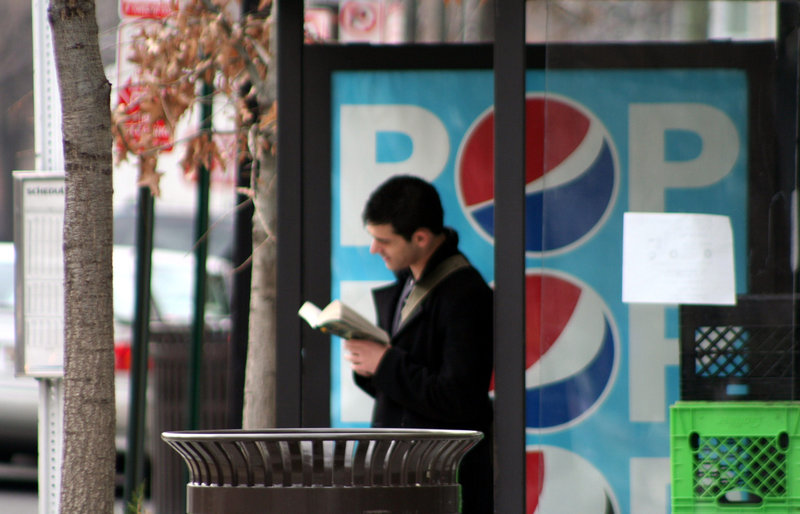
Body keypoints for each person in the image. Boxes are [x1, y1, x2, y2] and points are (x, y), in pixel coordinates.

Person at [344, 175, 494, 513]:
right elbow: (413, 390)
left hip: (437, 482)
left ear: (422, 238)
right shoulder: (409, 280)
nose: (373, 249)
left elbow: (459, 399)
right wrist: (369, 366)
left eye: (384, 240)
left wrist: (384, 364)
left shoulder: (465, 295)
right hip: (406, 475)